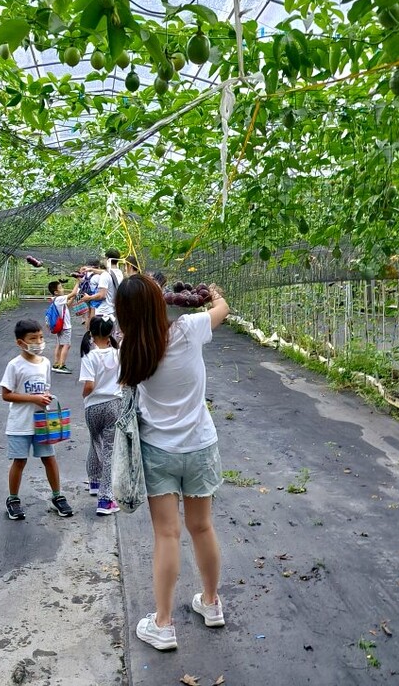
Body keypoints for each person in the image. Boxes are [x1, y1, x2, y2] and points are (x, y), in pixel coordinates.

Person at [115, 274, 229, 651]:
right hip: (199, 445)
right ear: (160, 302)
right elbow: (223, 310)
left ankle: (163, 625)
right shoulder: (190, 329)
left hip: (157, 450)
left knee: (167, 534)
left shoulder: (129, 347)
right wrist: (213, 294)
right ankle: (211, 604)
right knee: (202, 527)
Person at [0, 319, 74, 520]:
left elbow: (45, 387)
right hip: (20, 424)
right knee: (19, 461)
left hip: (42, 424)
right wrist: (33, 398)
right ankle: (13, 499)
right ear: (20, 342)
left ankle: (58, 496)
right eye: (33, 339)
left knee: (49, 458)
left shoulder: (46, 363)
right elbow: (6, 394)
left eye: (40, 337)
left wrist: (45, 396)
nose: (39, 342)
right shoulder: (14, 365)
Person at [78, 316, 122, 516]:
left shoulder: (89, 354)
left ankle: (95, 482)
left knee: (94, 441)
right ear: (111, 332)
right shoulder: (118, 353)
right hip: (113, 404)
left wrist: (85, 397)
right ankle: (106, 499)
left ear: (92, 332)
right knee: (109, 450)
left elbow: (88, 386)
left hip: (92, 406)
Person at [46, 280, 72, 374]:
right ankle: (62, 365)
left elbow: (68, 305)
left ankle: (56, 363)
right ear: (56, 292)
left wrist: (73, 297)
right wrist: (78, 282)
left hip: (60, 326)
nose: (63, 289)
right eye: (60, 287)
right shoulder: (60, 298)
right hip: (65, 326)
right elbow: (72, 293)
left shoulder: (57, 300)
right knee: (67, 345)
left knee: (60, 344)